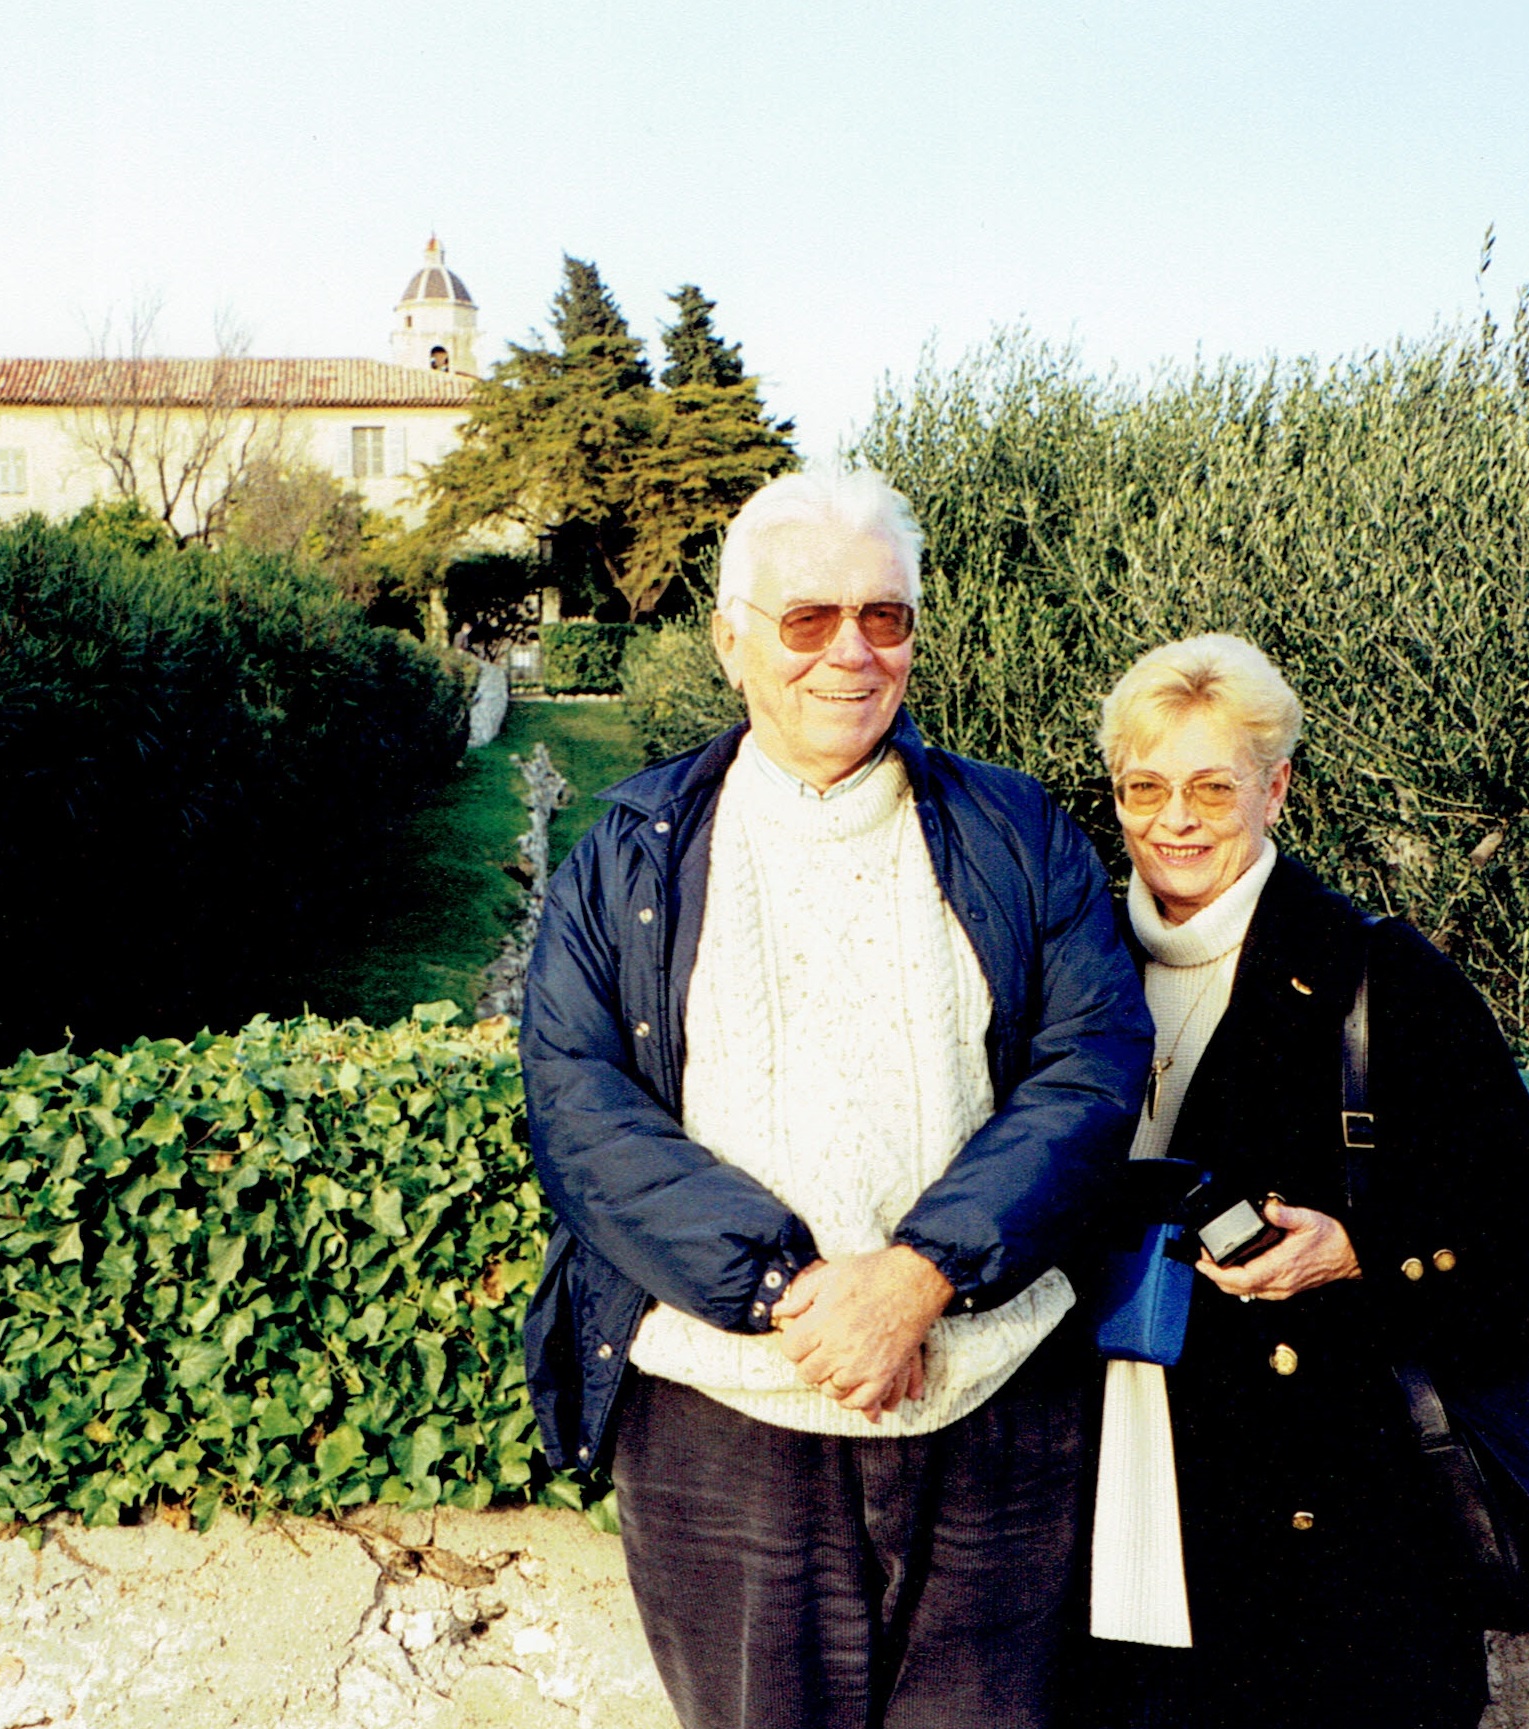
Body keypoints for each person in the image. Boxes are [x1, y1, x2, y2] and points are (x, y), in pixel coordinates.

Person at [520, 468, 1152, 1729]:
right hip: (723, 1425)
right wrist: (787, 1296)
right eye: (808, 619)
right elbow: (578, 1106)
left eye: (885, 616)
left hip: (994, 1409)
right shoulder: (630, 849)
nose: (850, 653)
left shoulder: (1017, 826)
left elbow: (1093, 1064)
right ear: (731, 638)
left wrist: (920, 1277)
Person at [1074, 635, 1529, 1729]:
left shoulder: (1375, 972)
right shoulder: (1069, 963)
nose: (1176, 818)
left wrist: (1358, 1247)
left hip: (1330, 1502)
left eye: (1213, 785)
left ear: (1276, 787)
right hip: (1109, 1468)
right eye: (1144, 787)